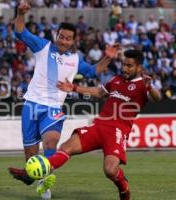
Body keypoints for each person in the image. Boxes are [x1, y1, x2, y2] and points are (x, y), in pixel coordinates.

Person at [8, 1, 120, 195]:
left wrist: (108, 57)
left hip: (53, 108)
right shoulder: (43, 46)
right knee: (30, 155)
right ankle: (35, 178)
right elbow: (20, 32)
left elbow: (94, 71)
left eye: (68, 39)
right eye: (62, 37)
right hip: (32, 105)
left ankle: (43, 186)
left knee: (51, 143)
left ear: (73, 41)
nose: (64, 41)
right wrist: (20, 14)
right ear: (56, 35)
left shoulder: (75, 60)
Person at [43, 49, 162, 200]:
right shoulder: (116, 79)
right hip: (99, 125)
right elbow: (99, 92)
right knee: (66, 147)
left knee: (110, 170)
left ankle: (123, 186)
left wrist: (150, 87)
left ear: (139, 68)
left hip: (118, 130)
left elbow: (157, 98)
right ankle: (35, 173)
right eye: (124, 65)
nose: (125, 68)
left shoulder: (143, 85)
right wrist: (74, 88)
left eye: (129, 66)